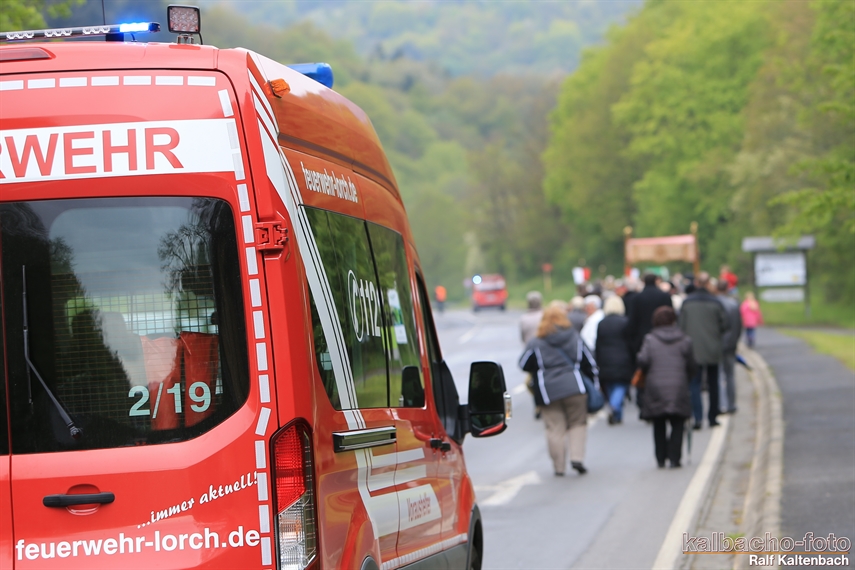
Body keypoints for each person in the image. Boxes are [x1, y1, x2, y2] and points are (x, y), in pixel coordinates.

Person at [519, 303, 598, 476]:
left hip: (548, 390)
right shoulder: (574, 337)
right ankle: (577, 458)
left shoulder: (536, 342)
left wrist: (538, 367)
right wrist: (594, 384)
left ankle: (559, 466)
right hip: (575, 386)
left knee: (555, 428)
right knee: (578, 423)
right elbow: (590, 362)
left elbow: (523, 364)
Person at [636, 306, 696, 468]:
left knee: (659, 422)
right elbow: (692, 364)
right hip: (678, 384)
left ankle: (661, 457)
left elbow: (643, 360)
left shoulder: (650, 339)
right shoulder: (684, 340)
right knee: (678, 422)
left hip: (656, 386)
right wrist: (686, 378)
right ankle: (675, 457)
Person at [678, 272, 729, 429]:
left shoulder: (687, 303)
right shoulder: (716, 302)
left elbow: (681, 326)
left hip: (693, 349)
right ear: (708, 284)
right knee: (713, 384)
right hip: (713, 348)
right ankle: (713, 416)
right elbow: (725, 324)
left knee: (694, 385)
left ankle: (698, 417)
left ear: (696, 283)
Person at [596, 295, 634, 425]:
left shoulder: (602, 323)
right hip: (623, 358)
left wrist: (598, 360)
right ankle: (614, 406)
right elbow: (630, 342)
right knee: (621, 385)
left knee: (610, 385)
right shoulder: (625, 322)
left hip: (605, 359)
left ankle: (617, 414)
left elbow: (598, 344)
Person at [716, 281, 742, 414]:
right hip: (730, 345)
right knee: (730, 375)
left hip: (717, 344)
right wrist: (734, 342)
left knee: (718, 376)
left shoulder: (714, 303)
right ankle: (731, 404)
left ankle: (721, 404)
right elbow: (738, 326)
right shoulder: (734, 304)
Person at [520, 291, 544, 419]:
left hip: (531, 354)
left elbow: (523, 337)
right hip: (545, 351)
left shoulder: (524, 319)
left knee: (532, 381)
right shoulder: (544, 315)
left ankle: (538, 404)